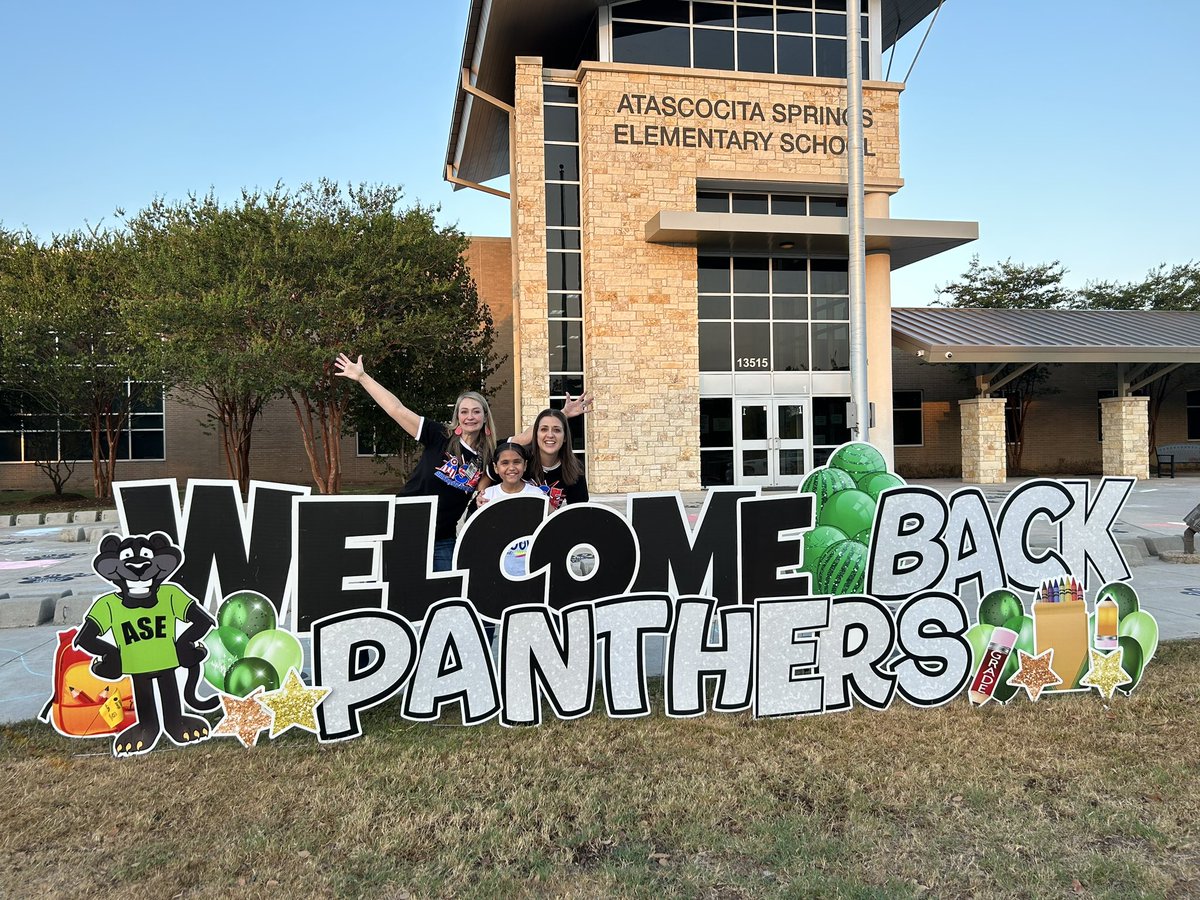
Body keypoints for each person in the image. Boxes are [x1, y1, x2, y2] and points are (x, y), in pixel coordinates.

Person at [334, 352, 496, 571]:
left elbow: (524, 442)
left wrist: (561, 414)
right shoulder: (439, 436)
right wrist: (363, 377)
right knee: (399, 595)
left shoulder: (488, 456)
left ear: (485, 416)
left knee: (447, 598)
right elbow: (396, 409)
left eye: (476, 412)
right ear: (457, 417)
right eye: (464, 411)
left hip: (442, 539)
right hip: (404, 529)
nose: (470, 417)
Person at [522, 407, 589, 510]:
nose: (550, 435)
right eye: (544, 429)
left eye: (557, 430)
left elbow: (579, 513)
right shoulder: (520, 459)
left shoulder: (575, 468)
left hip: (551, 525)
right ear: (535, 435)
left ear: (565, 437)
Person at [479, 441, 545, 504]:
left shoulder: (537, 494)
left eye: (517, 462)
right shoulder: (487, 496)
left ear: (525, 465)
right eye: (505, 463)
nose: (511, 468)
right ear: (495, 467)